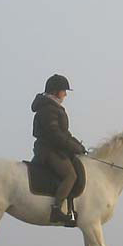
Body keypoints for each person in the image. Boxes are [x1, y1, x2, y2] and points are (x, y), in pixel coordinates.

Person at [31, 74, 87, 224]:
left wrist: (79, 146)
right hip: (48, 150)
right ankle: (56, 209)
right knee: (71, 175)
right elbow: (55, 135)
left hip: (54, 148)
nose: (65, 94)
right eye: (64, 91)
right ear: (55, 91)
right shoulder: (48, 109)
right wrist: (73, 147)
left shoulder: (54, 107)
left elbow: (65, 133)